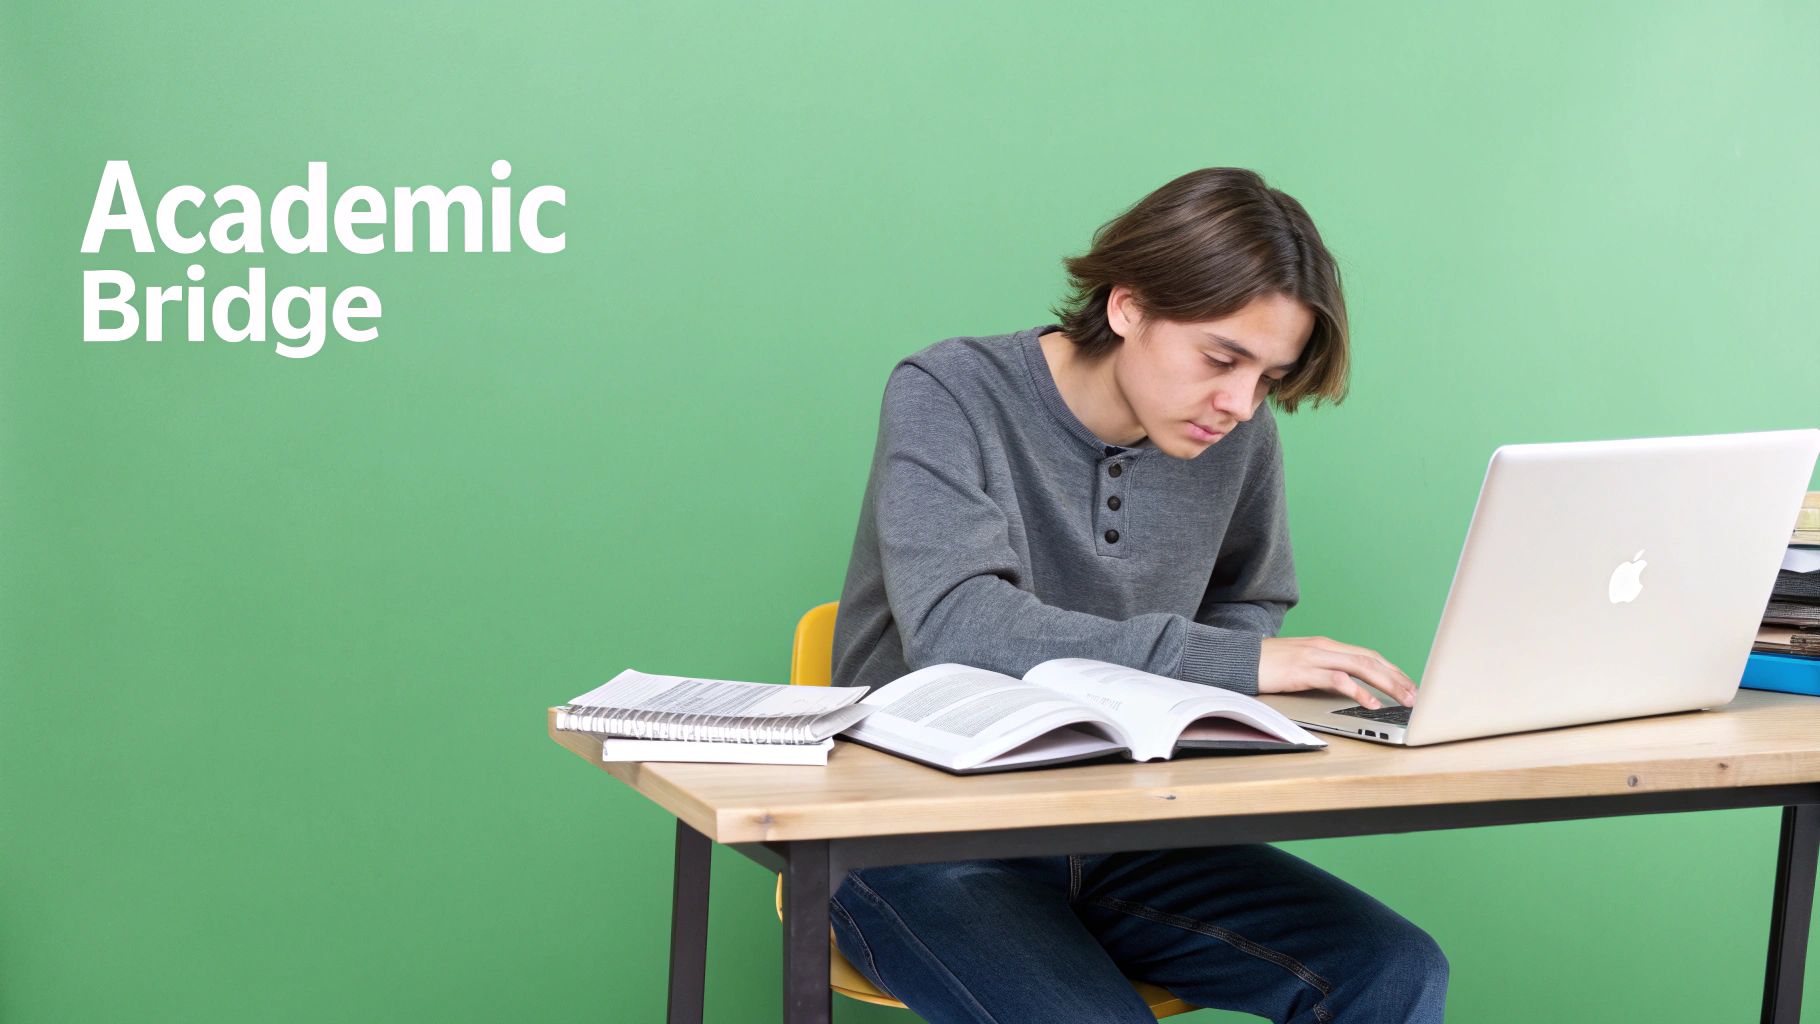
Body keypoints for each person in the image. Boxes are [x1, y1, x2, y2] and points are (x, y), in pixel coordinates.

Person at [824, 168, 1449, 1023]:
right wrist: (1234, 663)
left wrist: (1219, 708)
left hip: (1130, 835)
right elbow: (955, 625)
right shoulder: (951, 393)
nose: (1239, 403)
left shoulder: (1237, 435)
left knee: (1396, 970)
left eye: (1268, 377)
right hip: (925, 841)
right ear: (1127, 307)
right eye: (1222, 359)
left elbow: (1250, 600)